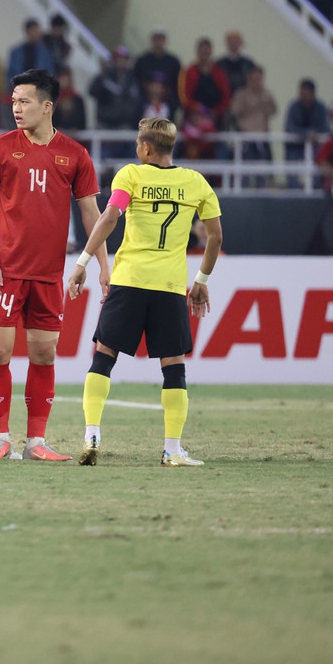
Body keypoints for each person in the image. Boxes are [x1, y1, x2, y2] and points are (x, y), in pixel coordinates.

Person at [66, 116, 223, 467]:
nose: (137, 149)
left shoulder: (131, 175)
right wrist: (201, 281)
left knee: (103, 357)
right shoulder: (195, 182)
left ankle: (92, 432)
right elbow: (215, 237)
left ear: (146, 148)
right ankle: (172, 449)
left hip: (129, 280)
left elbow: (110, 216)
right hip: (168, 286)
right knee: (174, 367)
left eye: (139, 144)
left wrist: (83, 262)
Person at [0, 69, 108, 461]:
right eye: (13, 102)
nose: (16, 108)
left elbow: (91, 215)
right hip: (6, 272)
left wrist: (102, 264)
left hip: (49, 275)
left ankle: (37, 442)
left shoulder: (75, 154)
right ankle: (0, 438)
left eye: (24, 101)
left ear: (47, 106)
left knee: (44, 355)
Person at [7, 19, 55, 83]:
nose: (37, 33)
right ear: (27, 31)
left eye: (38, 30)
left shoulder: (45, 53)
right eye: (34, 30)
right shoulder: (15, 52)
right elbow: (11, 73)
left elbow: (50, 73)